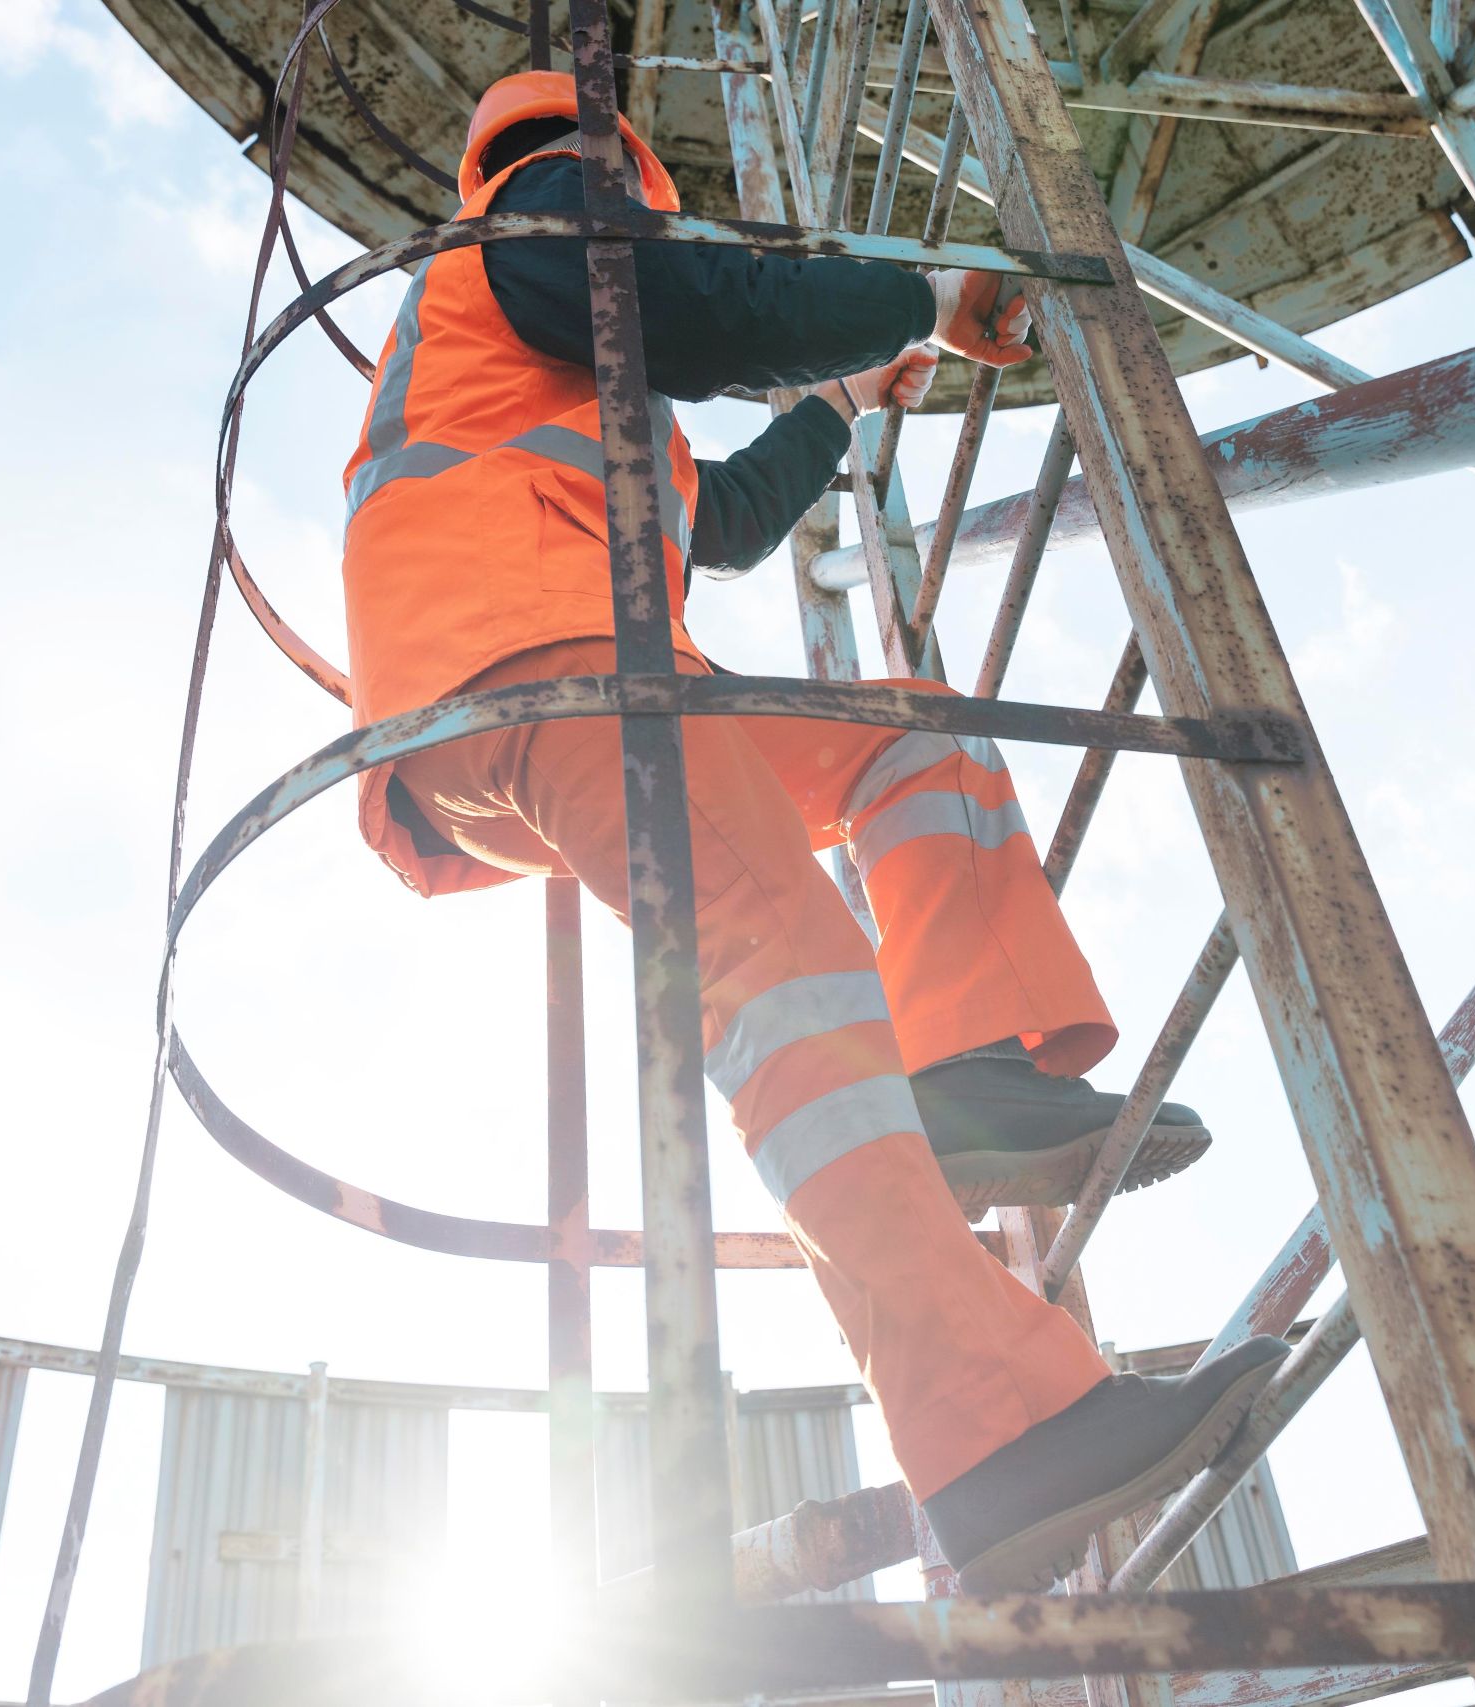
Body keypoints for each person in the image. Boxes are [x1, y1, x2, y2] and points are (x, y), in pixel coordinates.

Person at [338, 70, 1288, 1593]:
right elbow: (699, 306)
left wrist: (843, 398)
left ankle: (967, 1067)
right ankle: (998, 1429)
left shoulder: (554, 357)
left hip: (574, 675)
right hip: (532, 660)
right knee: (789, 976)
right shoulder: (540, 212)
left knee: (919, 745)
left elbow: (712, 524)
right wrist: (922, 295)